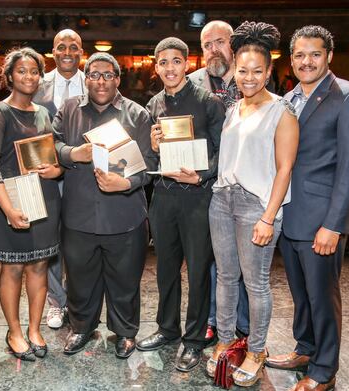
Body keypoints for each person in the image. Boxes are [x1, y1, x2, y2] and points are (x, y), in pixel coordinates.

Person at [266, 26, 349, 391]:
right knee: (301, 293)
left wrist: (335, 224)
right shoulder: (287, 98)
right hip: (291, 216)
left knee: (323, 297)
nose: (306, 61)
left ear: (329, 55)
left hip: (322, 220)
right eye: (299, 55)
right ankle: (306, 348)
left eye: (314, 54)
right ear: (291, 59)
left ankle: (324, 368)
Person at [205, 22, 299, 387]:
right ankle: (227, 342)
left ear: (269, 71)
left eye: (257, 71)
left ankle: (257, 350)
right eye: (242, 70)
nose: (248, 77)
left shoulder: (282, 111)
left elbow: (285, 168)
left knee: (256, 283)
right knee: (226, 278)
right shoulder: (234, 109)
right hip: (222, 201)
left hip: (256, 205)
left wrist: (268, 217)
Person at [53, 52, 151, 359]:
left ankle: (125, 333)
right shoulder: (69, 110)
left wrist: (127, 184)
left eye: (108, 75)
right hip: (79, 214)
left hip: (124, 215)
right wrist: (72, 153)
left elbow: (150, 163)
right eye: (94, 74)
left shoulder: (137, 114)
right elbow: (51, 145)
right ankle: (82, 327)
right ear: (86, 79)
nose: (101, 81)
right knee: (80, 278)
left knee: (125, 280)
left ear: (118, 79)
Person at [136, 38, 225, 371]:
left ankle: (193, 340)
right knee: (165, 270)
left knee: (199, 270)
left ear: (188, 63)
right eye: (163, 62)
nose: (169, 68)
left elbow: (222, 152)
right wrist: (152, 144)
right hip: (163, 196)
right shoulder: (154, 104)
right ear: (156, 66)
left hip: (198, 198)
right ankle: (167, 329)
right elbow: (148, 156)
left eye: (176, 61)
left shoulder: (208, 102)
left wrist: (201, 176)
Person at [0, 47, 62, 362]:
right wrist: (9, 209)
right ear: (10, 76)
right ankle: (14, 332)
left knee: (40, 265)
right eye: (21, 71)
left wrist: (57, 170)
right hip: (10, 202)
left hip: (44, 200)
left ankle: (34, 329)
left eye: (34, 71)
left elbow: (52, 158)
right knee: (12, 268)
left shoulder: (44, 112)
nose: (28, 76)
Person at [188, 20, 250, 344]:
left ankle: (245, 326)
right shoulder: (191, 84)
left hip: (246, 186)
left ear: (233, 46)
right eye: (207, 45)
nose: (213, 49)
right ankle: (212, 319)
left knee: (244, 263)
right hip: (203, 188)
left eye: (219, 42)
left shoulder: (251, 82)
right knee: (210, 261)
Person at [33, 28, 85, 329]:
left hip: (80, 175)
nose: (67, 52)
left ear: (81, 51)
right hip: (47, 175)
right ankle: (56, 302)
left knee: (78, 242)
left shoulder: (93, 84)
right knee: (51, 240)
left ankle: (79, 301)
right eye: (61, 46)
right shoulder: (38, 85)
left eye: (73, 47)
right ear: (53, 52)